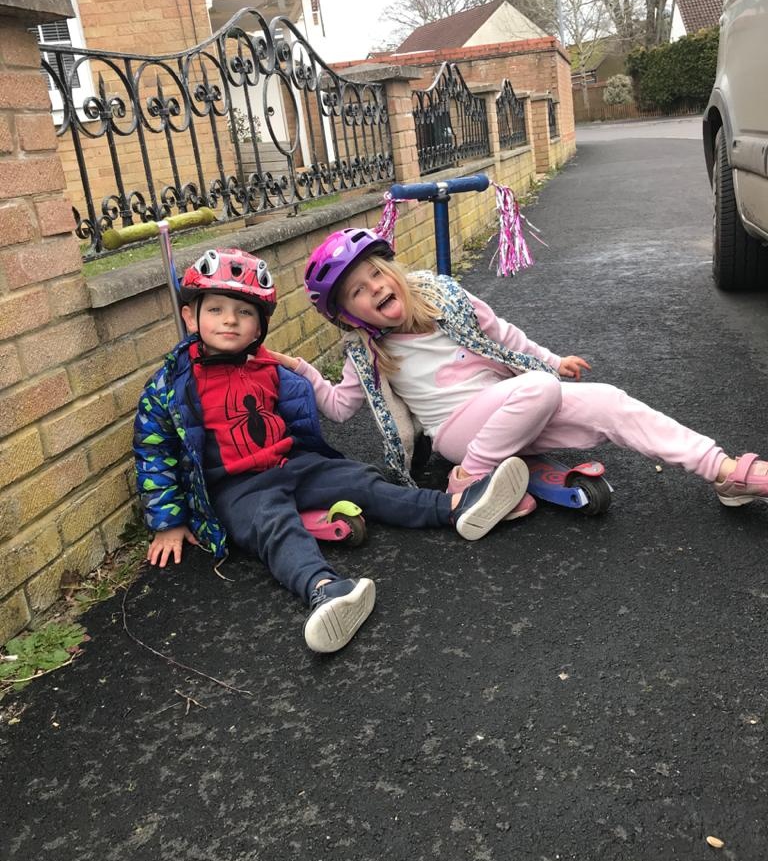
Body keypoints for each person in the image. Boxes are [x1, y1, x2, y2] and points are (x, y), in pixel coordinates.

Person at [133, 247, 530, 655]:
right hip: (237, 487)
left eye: (244, 312)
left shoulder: (269, 369)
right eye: (216, 309)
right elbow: (154, 452)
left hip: (292, 463)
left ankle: (456, 506)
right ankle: (325, 590)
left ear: (259, 327)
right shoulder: (172, 385)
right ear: (190, 317)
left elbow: (305, 418)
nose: (230, 320)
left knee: (363, 480)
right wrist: (168, 521)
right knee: (274, 525)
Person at [271, 227, 768, 515]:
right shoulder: (366, 351)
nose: (375, 288)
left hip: (516, 405)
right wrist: (300, 370)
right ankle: (471, 479)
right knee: (538, 389)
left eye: (376, 274)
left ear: (393, 271)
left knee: (609, 401)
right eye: (358, 291)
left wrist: (553, 361)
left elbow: (506, 337)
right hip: (460, 434)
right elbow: (340, 408)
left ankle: (722, 471)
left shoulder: (447, 299)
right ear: (348, 316)